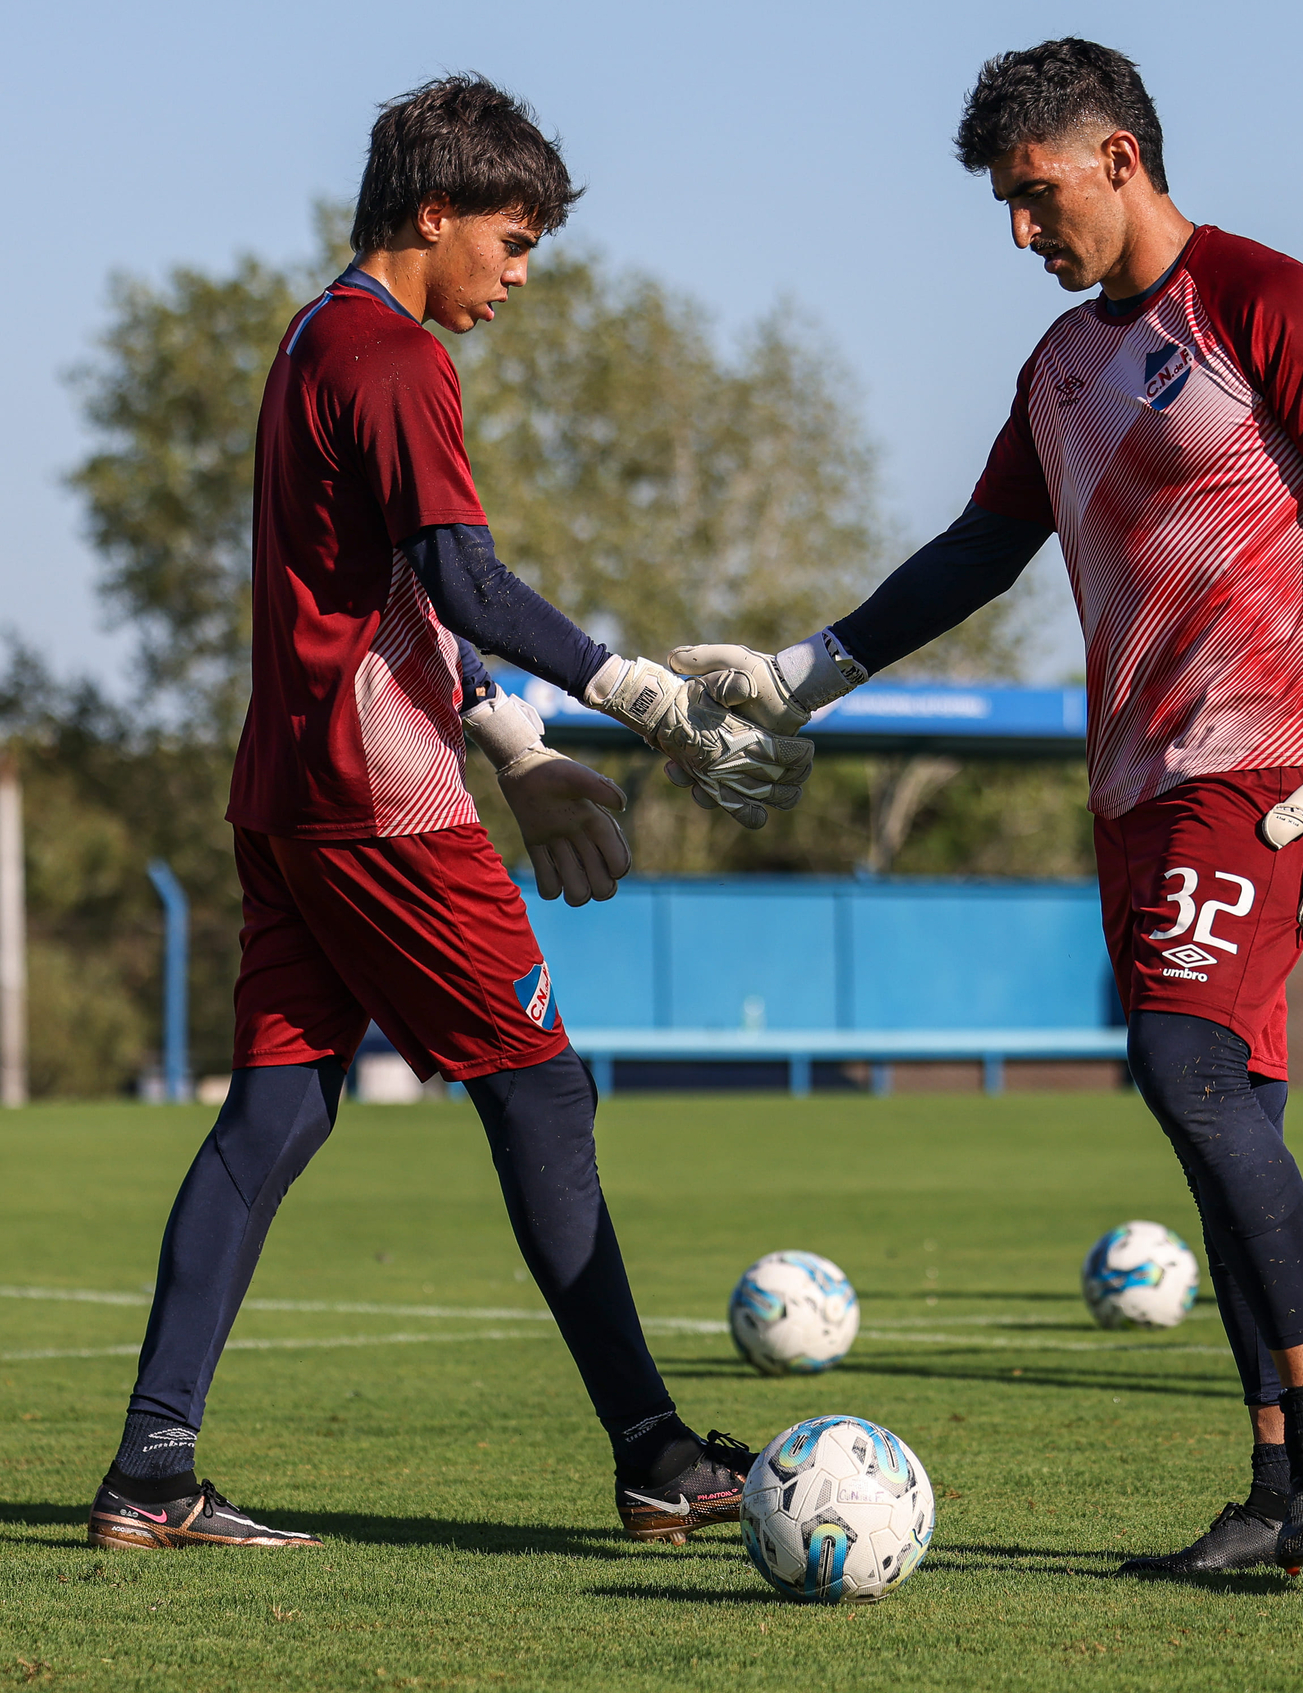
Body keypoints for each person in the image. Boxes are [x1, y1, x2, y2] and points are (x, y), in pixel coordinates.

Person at [669, 39, 1303, 1576]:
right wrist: (802, 673)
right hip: (1133, 785)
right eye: (1006, 208)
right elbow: (980, 550)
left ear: (1119, 160)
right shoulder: (1061, 370)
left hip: (1259, 769)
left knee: (1185, 1072)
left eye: (1037, 197)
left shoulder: (1271, 302)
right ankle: (1282, 1483)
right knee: (1229, 1112)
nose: (1024, 232)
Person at [87, 76, 812, 1554]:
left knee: (277, 1110)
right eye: (514, 239)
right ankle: (655, 1452)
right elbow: (464, 580)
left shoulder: (315, 337)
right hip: (381, 801)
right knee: (541, 1092)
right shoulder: (398, 358)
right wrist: (645, 697)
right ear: (435, 214)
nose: (522, 274)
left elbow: (389, 589)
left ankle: (152, 1469)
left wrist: (513, 740)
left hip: (286, 789)